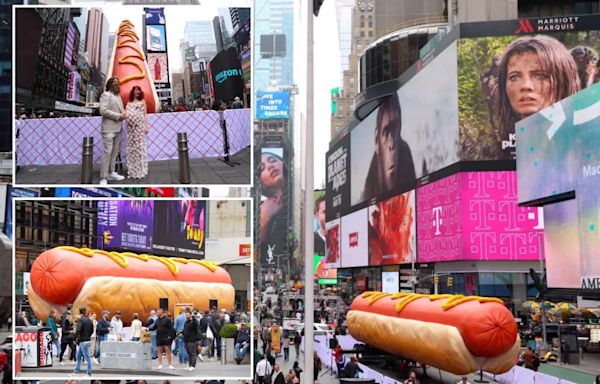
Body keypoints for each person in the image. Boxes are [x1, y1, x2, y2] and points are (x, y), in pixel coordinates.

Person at [495, 35, 581, 158]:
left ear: (564, 81)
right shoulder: (502, 151)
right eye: (514, 77)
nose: (526, 86)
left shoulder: (585, 147)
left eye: (540, 76)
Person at [362, 92, 416, 201]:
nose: (392, 145)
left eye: (394, 129)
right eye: (386, 133)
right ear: (377, 140)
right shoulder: (372, 181)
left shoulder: (404, 153)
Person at [259, 151, 288, 264]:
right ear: (262, 182)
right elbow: (259, 252)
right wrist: (264, 218)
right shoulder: (262, 208)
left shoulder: (299, 199)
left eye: (273, 160)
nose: (270, 166)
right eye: (263, 168)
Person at [99, 76, 127, 185]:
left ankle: (111, 172)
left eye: (118, 82)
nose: (117, 84)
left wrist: (124, 113)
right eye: (114, 82)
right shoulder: (105, 95)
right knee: (107, 153)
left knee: (114, 153)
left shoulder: (119, 97)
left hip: (117, 128)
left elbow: (121, 110)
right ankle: (103, 177)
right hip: (108, 129)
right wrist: (118, 116)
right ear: (109, 84)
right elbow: (103, 110)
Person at [125, 85, 149, 179]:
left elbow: (145, 115)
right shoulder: (129, 102)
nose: (137, 92)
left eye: (139, 90)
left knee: (139, 148)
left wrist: (146, 126)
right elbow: (127, 114)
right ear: (133, 92)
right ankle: (132, 170)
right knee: (132, 149)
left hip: (139, 128)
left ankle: (140, 169)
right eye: (136, 90)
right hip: (130, 129)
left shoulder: (143, 102)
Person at [73, 307, 94, 376]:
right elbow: (92, 330)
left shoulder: (81, 320)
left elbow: (78, 330)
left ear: (80, 312)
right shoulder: (89, 320)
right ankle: (77, 370)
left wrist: (74, 338)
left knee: (87, 357)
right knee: (78, 356)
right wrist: (88, 335)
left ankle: (89, 372)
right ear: (85, 312)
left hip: (83, 340)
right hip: (87, 339)